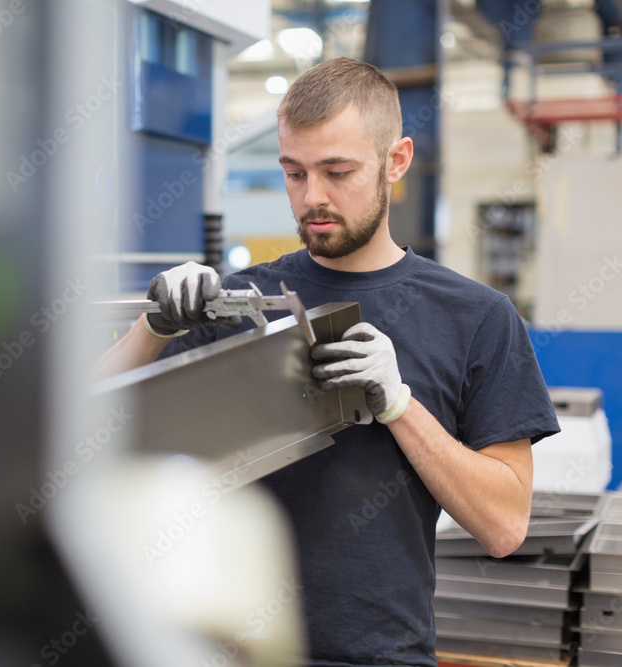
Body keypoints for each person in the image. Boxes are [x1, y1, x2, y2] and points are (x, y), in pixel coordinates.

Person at [94, 57, 560, 666]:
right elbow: (74, 434)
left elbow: (504, 526)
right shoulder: (236, 302)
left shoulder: (476, 318)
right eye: (294, 173)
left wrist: (399, 405)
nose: (312, 197)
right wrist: (152, 328)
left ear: (396, 161)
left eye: (337, 171)